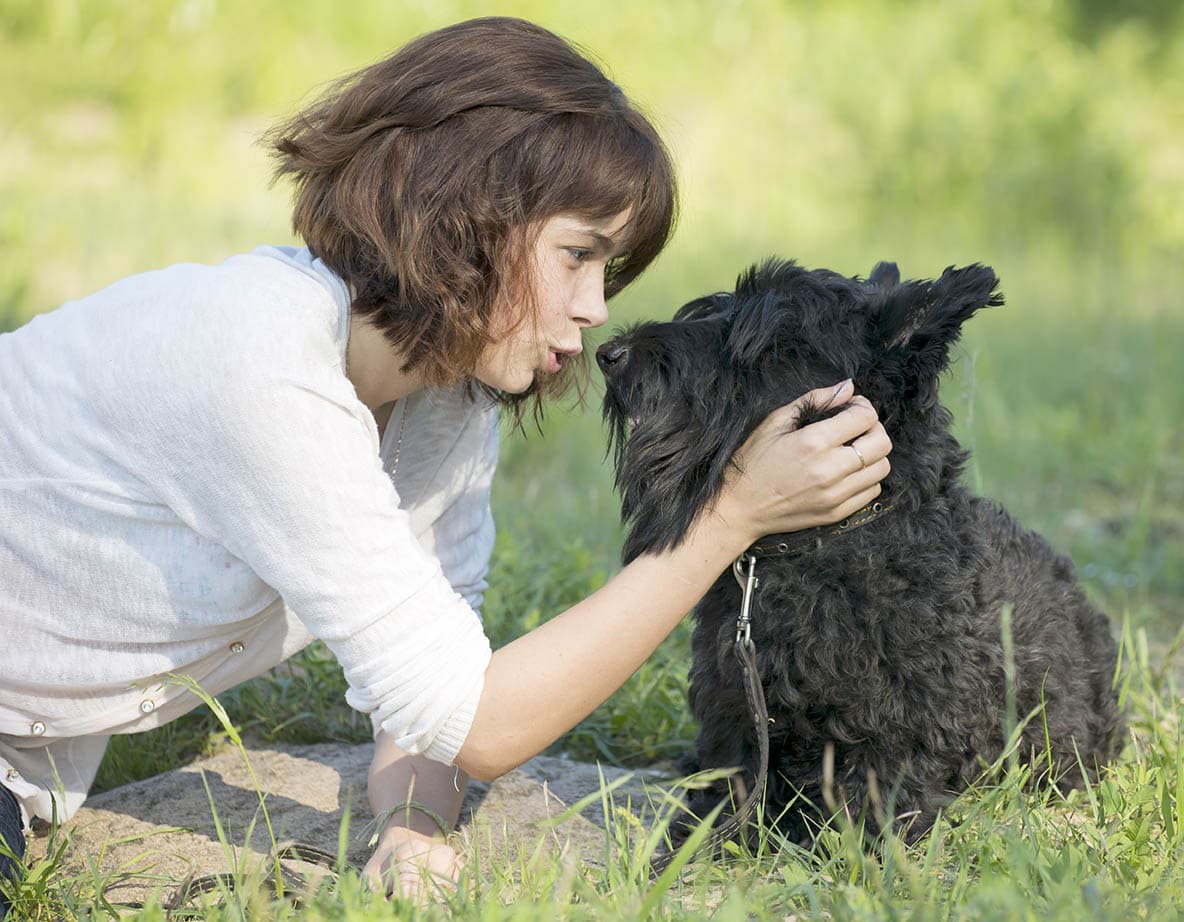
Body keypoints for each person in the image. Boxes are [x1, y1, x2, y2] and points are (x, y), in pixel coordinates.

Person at [0, 16, 891, 911]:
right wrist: (728, 518)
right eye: (576, 255)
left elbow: (428, 689)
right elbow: (485, 721)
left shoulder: (445, 394)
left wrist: (413, 828)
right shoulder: (256, 363)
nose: (595, 310)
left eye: (608, 268)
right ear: (465, 216)